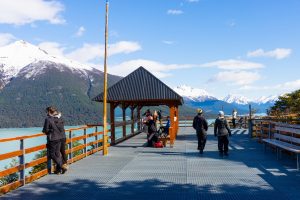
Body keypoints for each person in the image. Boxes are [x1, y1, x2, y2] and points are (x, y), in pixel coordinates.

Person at [43, 106, 68, 174]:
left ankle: (62, 166)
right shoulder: (58, 118)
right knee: (57, 154)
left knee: (52, 154)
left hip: (53, 138)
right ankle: (60, 169)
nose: (46, 113)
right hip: (60, 138)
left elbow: (45, 130)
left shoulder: (48, 119)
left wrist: (48, 131)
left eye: (46, 112)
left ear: (48, 112)